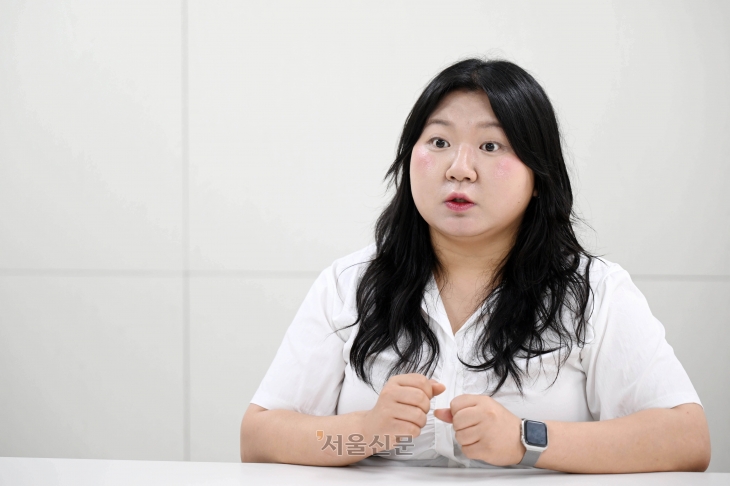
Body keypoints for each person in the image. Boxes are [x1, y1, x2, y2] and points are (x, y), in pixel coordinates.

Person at [239, 58, 711, 472]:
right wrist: (365, 433)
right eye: (439, 141)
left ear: (538, 175)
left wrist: (526, 440)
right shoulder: (350, 284)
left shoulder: (594, 290)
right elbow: (259, 439)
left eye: (491, 146)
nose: (459, 168)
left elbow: (686, 440)